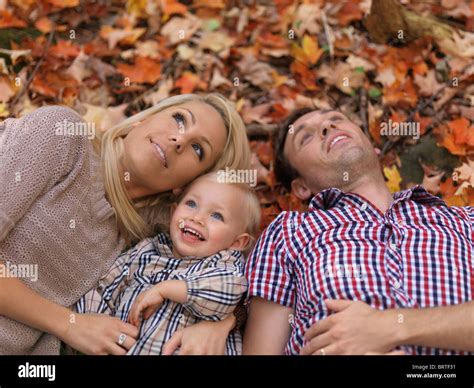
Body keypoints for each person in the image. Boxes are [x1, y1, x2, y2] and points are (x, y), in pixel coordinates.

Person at [0, 93, 251, 355]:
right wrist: (68, 324)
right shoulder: (63, 137)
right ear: (142, 120)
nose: (180, 139)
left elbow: (233, 275)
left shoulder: (149, 242)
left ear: (187, 185)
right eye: (179, 119)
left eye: (198, 149)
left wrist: (223, 323)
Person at [242, 108, 474, 355]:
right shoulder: (290, 232)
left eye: (336, 119)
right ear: (301, 188)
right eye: (305, 137)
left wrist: (392, 327)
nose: (327, 128)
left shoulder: (464, 221)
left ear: (374, 149)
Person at [75, 172, 260, 355]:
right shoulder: (146, 251)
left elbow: (228, 294)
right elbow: (106, 287)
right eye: (191, 204)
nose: (197, 218)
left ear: (237, 242)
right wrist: (90, 320)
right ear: (173, 212)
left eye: (217, 216)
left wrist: (165, 290)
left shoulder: (225, 264)